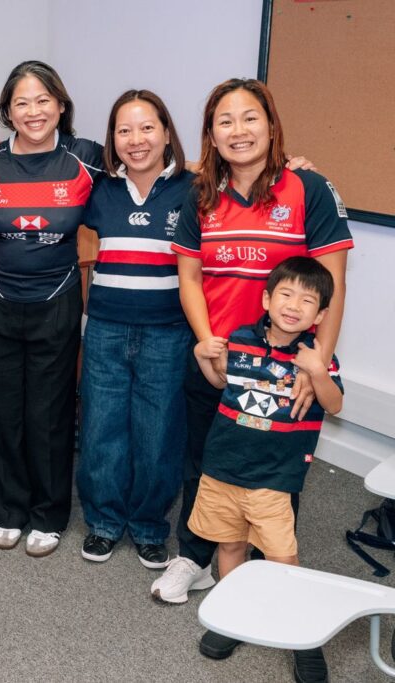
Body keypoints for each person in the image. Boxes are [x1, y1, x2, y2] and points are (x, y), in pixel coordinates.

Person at [153, 78, 352, 677]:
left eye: (249, 118)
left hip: (287, 368)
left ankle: (283, 603)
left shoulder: (308, 187)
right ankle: (212, 576)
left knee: (276, 486)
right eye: (224, 121)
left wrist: (316, 361)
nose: (238, 131)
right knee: (205, 464)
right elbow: (190, 278)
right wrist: (205, 343)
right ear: (211, 134)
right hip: (219, 361)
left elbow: (331, 283)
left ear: (270, 124)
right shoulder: (201, 195)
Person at [0, 60, 102, 557]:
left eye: (43, 100)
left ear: (61, 105)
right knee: (2, 410)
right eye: (21, 103)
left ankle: (48, 515)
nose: (33, 111)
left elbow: (155, 163)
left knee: (49, 412)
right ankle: (9, 509)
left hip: (57, 301)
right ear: (7, 111)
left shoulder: (86, 158)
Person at [188, 256, 342, 679]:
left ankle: (303, 637)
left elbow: (334, 404)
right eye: (286, 295)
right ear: (267, 299)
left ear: (320, 315)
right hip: (222, 468)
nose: (294, 306)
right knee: (229, 547)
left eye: (307, 301)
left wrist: (317, 372)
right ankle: (234, 616)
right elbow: (221, 384)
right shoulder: (240, 340)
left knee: (282, 560)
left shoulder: (318, 357)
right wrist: (203, 357)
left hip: (273, 478)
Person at [74, 90, 195, 568]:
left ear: (166, 132)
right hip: (105, 328)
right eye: (124, 130)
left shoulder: (196, 188)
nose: (136, 139)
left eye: (147, 128)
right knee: (101, 428)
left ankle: (148, 526)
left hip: (167, 332)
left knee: (158, 432)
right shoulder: (99, 189)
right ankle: (104, 522)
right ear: (112, 139)